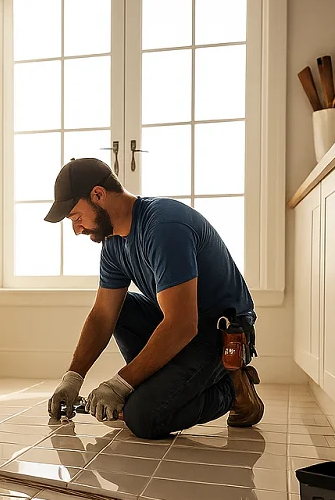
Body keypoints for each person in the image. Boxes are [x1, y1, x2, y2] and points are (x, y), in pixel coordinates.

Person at [46, 158, 264, 438]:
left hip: (218, 333)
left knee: (143, 417)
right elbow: (102, 316)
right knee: (118, 309)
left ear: (98, 195)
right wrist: (73, 377)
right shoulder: (113, 243)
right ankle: (158, 386)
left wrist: (120, 384)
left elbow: (183, 324)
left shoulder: (164, 226)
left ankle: (233, 388)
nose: (77, 229)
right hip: (179, 326)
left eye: (77, 217)